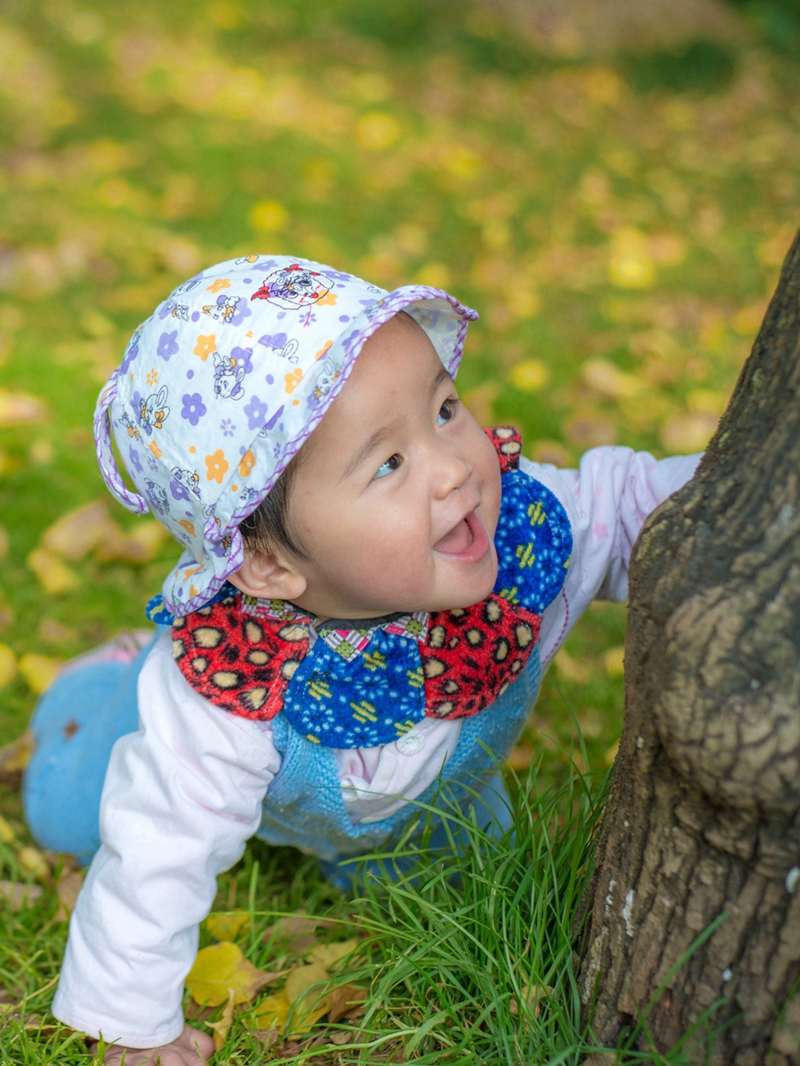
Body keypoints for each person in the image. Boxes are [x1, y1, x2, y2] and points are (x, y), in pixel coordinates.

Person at [23, 255, 699, 1064]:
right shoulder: (227, 687)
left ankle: (394, 857)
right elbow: (157, 846)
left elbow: (641, 509)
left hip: (425, 811)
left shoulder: (523, 534)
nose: (454, 467)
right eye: (388, 464)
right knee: (68, 808)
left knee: (468, 882)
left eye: (445, 409)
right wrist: (133, 1027)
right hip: (148, 735)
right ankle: (110, 676)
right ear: (270, 566)